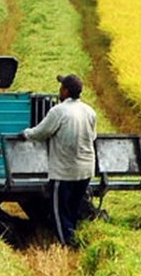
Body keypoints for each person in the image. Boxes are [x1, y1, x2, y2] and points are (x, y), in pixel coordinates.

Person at [20, 74, 97, 248]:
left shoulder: (58, 111)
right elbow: (93, 136)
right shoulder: (90, 111)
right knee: (74, 207)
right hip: (86, 170)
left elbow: (41, 133)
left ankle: (68, 246)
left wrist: (25, 134)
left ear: (66, 91)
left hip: (64, 171)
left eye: (61, 87)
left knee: (59, 211)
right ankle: (76, 237)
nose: (59, 90)